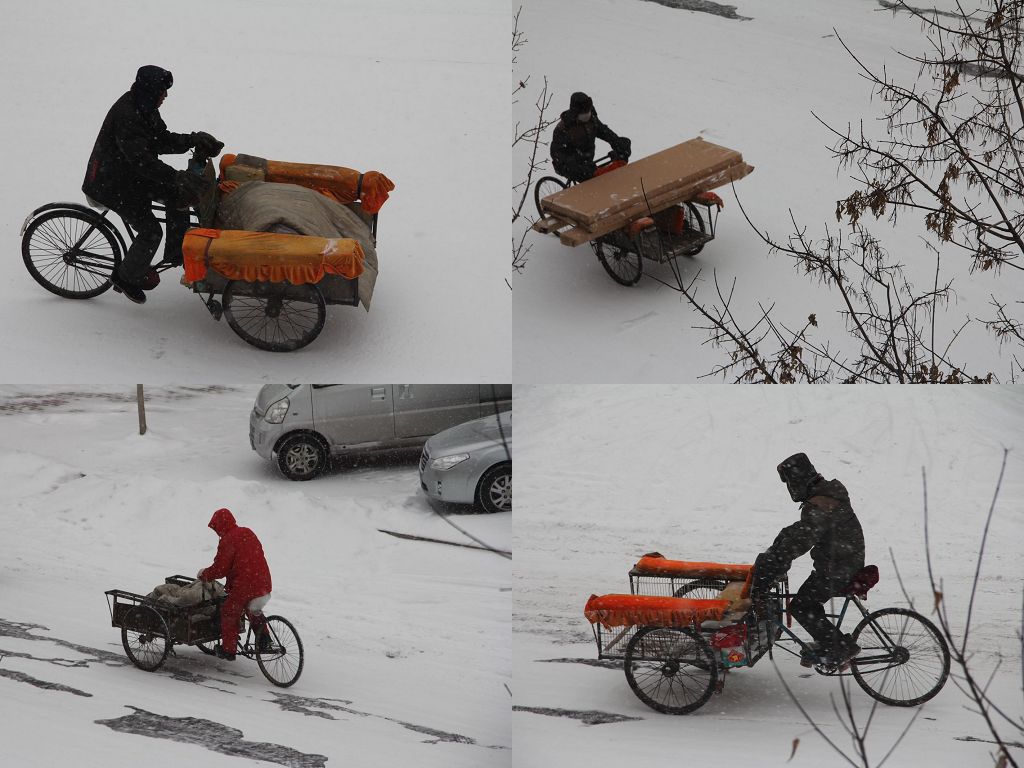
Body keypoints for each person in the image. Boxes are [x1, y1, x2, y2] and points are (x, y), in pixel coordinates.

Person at [82, 65, 223, 304]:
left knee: (179, 195)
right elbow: (142, 162)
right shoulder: (127, 114)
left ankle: (176, 252)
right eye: (162, 91)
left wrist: (192, 139)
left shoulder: (144, 106)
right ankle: (126, 278)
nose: (165, 96)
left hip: (129, 174)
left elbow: (159, 140)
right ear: (150, 91)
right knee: (150, 231)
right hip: (111, 183)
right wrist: (177, 175)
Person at [749, 453, 865, 666]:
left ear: (797, 480)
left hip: (839, 569)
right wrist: (782, 540)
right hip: (844, 562)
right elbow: (801, 530)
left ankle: (840, 648)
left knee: (801, 606)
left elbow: (803, 539)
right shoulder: (826, 495)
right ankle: (830, 643)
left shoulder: (821, 503)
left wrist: (778, 559)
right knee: (809, 600)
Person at [197, 508, 272, 660]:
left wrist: (205, 574)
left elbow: (220, 569)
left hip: (245, 584)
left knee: (229, 611)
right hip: (263, 580)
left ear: (220, 525)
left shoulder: (227, 540)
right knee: (253, 609)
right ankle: (265, 640)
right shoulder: (247, 532)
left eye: (216, 528)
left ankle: (228, 650)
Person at [550, 91, 631, 183]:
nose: (587, 117)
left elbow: (605, 133)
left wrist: (619, 144)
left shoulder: (591, 121)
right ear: (575, 113)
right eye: (583, 115)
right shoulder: (563, 129)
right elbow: (557, 153)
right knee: (590, 178)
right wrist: (575, 164)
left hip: (586, 161)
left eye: (588, 113)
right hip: (568, 165)